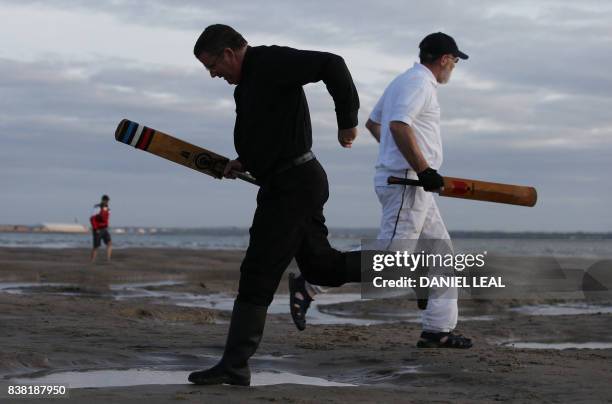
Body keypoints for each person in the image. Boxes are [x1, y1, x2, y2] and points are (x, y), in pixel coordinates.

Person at [187, 24, 362, 386]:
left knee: (258, 271)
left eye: (212, 66)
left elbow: (333, 64)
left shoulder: (270, 60)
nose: (213, 74)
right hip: (285, 181)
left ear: (229, 53)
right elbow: (269, 130)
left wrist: (347, 121)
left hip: (294, 184)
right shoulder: (248, 82)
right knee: (323, 268)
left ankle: (235, 365)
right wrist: (246, 160)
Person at [290, 32, 472, 349]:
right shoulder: (418, 84)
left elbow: (375, 124)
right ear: (444, 59)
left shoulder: (404, 80)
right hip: (408, 182)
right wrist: (422, 168)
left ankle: (437, 329)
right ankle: (312, 284)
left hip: (409, 179)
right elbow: (397, 125)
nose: (453, 68)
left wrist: (398, 158)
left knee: (441, 254)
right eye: (454, 62)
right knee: (392, 259)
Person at [89, 194, 112, 262]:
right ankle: (92, 261)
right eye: (105, 200)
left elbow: (106, 219)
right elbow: (92, 219)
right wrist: (96, 229)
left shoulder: (108, 209)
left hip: (104, 229)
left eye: (107, 201)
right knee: (96, 247)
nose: (106, 202)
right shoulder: (96, 207)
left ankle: (108, 259)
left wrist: (107, 226)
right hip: (97, 230)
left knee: (109, 243)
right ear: (102, 200)